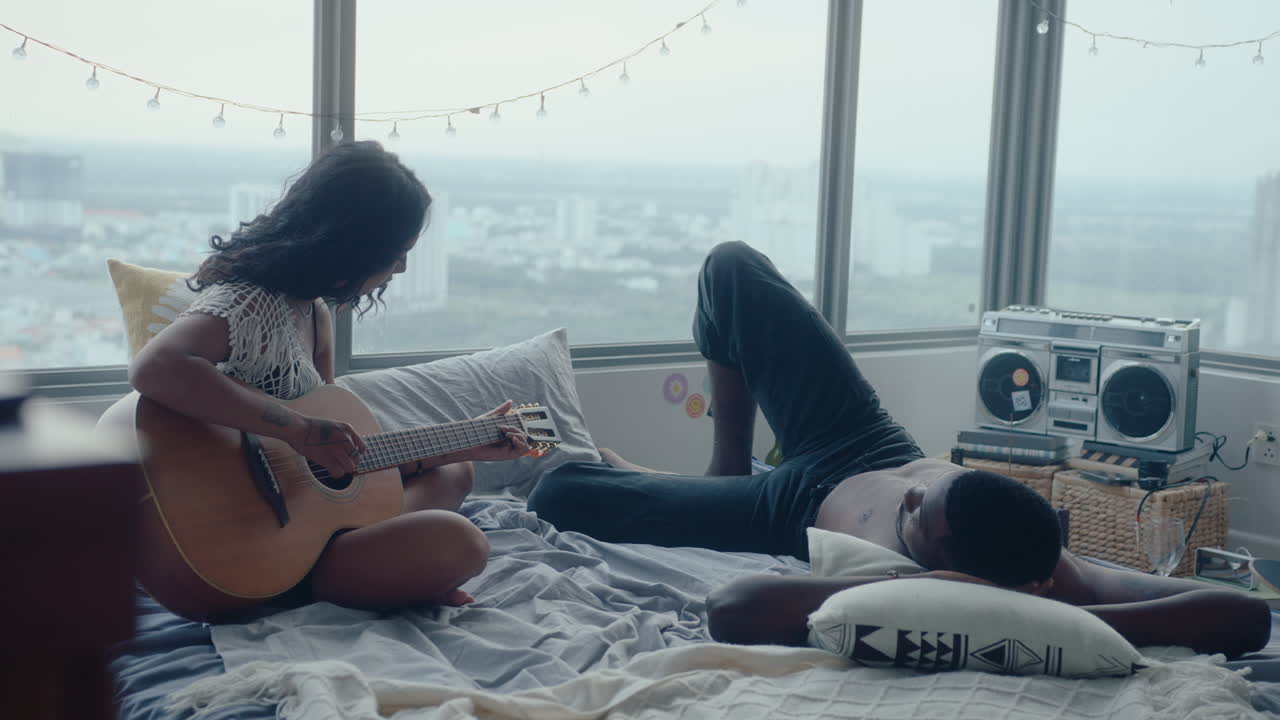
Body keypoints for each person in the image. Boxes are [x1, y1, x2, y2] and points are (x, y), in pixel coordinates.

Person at [527, 241, 1271, 659]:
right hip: (864, 436)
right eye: (929, 493)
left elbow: (735, 607)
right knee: (731, 269)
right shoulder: (1044, 549)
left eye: (918, 518)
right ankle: (725, 467)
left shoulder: (1041, 588)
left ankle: (732, 488)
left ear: (951, 568)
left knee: (560, 492)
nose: (913, 498)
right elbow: (1247, 610)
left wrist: (1007, 610)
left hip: (792, 505)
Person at [128, 140, 531, 613]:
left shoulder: (314, 313)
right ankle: (338, 582)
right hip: (250, 543)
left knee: (455, 472)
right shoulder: (248, 303)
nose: (401, 266)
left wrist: (464, 443)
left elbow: (340, 463)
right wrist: (298, 430)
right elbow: (155, 367)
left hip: (313, 533)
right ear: (350, 244)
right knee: (463, 542)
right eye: (396, 252)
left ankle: (377, 575)